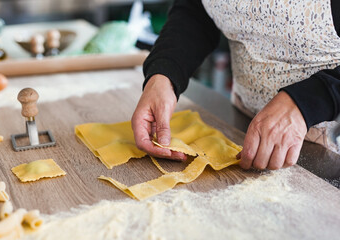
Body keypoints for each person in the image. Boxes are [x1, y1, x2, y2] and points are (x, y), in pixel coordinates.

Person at [131, 0, 340, 170]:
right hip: (243, 122)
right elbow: (197, 13)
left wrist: (308, 101)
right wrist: (164, 74)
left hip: (329, 145)